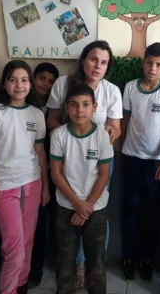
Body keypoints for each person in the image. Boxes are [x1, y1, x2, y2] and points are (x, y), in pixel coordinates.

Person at [46, 40, 122, 288]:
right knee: (66, 239)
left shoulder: (111, 91)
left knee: (96, 220)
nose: (97, 66)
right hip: (68, 165)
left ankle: (89, 267)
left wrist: (105, 136)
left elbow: (115, 128)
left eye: (103, 62)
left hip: (98, 162)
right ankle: (77, 267)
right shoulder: (63, 84)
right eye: (93, 59)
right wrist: (72, 141)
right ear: (83, 60)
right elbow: (52, 120)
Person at [0, 61, 48, 294]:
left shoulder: (37, 114)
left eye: (24, 80)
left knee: (27, 244)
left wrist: (46, 187)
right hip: (4, 187)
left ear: (30, 84)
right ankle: (7, 290)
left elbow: (40, 152)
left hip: (33, 184)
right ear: (5, 83)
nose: (19, 85)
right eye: (13, 79)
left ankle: (21, 285)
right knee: (13, 249)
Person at [49, 84, 112, 294]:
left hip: (96, 207)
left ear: (94, 107)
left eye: (86, 105)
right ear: (66, 107)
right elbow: (56, 173)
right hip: (67, 205)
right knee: (65, 258)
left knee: (96, 260)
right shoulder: (59, 135)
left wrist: (87, 207)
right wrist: (78, 205)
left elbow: (104, 175)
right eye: (74, 105)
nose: (80, 110)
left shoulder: (102, 136)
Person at [119, 42, 160, 282]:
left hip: (157, 163)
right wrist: (120, 149)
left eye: (159, 65)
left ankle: (147, 258)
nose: (153, 68)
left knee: (153, 215)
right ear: (143, 63)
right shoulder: (131, 87)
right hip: (131, 158)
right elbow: (124, 121)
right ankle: (129, 257)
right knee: (130, 211)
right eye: (149, 62)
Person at [29, 61, 60, 286]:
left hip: (51, 171)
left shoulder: (55, 110)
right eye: (42, 79)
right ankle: (28, 266)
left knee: (47, 219)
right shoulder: (22, 104)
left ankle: (39, 266)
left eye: (51, 81)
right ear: (33, 79)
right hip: (25, 171)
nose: (46, 85)